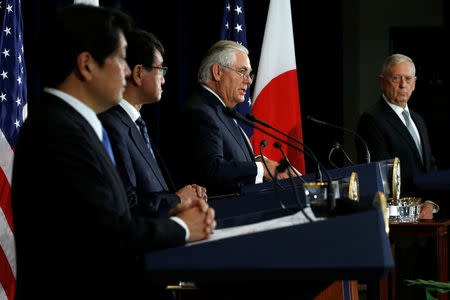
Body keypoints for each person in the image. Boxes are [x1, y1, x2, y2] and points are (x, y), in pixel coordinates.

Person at [11, 5, 215, 300]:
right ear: (87, 65)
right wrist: (181, 228)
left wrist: (171, 212)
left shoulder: (78, 125)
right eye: (120, 58)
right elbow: (107, 236)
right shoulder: (55, 131)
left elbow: (112, 215)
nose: (127, 70)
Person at [99, 29, 207, 219]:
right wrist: (178, 199)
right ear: (138, 72)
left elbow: (152, 190)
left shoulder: (135, 124)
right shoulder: (112, 125)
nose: (164, 80)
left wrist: (185, 195)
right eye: (161, 70)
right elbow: (128, 204)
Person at [174, 40, 290, 196]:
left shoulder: (219, 110)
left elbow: (227, 154)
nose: (248, 81)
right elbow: (212, 169)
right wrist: (261, 169)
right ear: (218, 72)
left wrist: (262, 161)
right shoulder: (200, 112)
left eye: (249, 74)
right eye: (242, 72)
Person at [356, 53, 438, 218]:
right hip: (398, 221)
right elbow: (381, 176)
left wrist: (430, 202)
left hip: (427, 219)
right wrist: (414, 207)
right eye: (396, 78)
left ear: (414, 84)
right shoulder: (372, 119)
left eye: (408, 79)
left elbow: (430, 166)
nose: (403, 85)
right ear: (382, 81)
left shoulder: (418, 120)